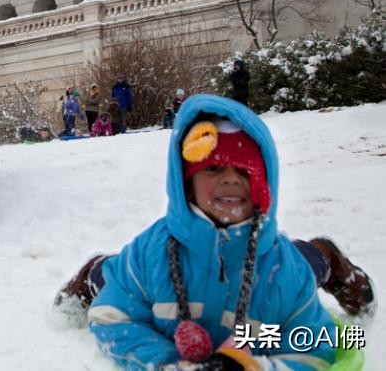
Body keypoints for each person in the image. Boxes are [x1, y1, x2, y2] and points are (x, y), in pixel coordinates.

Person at [54, 95, 375, 369]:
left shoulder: (286, 269)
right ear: (186, 187)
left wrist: (254, 364)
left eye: (244, 172)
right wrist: (167, 363)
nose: (231, 179)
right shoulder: (149, 255)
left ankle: (326, 253)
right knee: (111, 274)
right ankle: (93, 267)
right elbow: (114, 317)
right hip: (154, 277)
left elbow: (317, 344)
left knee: (312, 280)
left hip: (264, 290)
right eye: (213, 168)